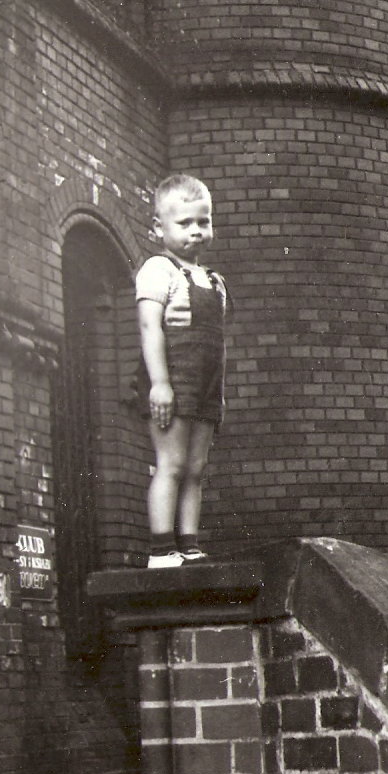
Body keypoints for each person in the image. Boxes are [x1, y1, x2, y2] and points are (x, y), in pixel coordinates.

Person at [135, 174, 227, 568]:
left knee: (195, 467)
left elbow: (216, 345)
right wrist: (160, 383)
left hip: (205, 387)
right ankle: (161, 550)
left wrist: (218, 394)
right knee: (171, 464)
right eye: (184, 223)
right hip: (172, 381)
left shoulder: (215, 282)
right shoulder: (159, 270)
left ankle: (189, 544)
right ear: (159, 228)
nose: (196, 231)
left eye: (203, 222)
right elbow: (149, 327)